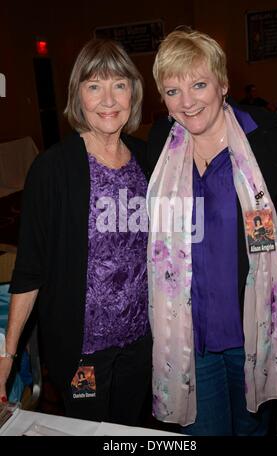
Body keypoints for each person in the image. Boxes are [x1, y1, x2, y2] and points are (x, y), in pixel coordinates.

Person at [146, 27, 277, 436]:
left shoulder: (272, 142)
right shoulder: (161, 146)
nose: (188, 101)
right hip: (189, 342)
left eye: (199, 84)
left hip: (253, 335)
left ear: (223, 84)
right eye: (173, 90)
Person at [0, 38, 152, 426]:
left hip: (142, 343)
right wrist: (8, 353)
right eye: (94, 86)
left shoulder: (149, 160)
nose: (108, 99)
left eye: (119, 84)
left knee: (131, 428)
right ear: (77, 96)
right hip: (83, 349)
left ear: (133, 93)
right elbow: (29, 269)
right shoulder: (53, 169)